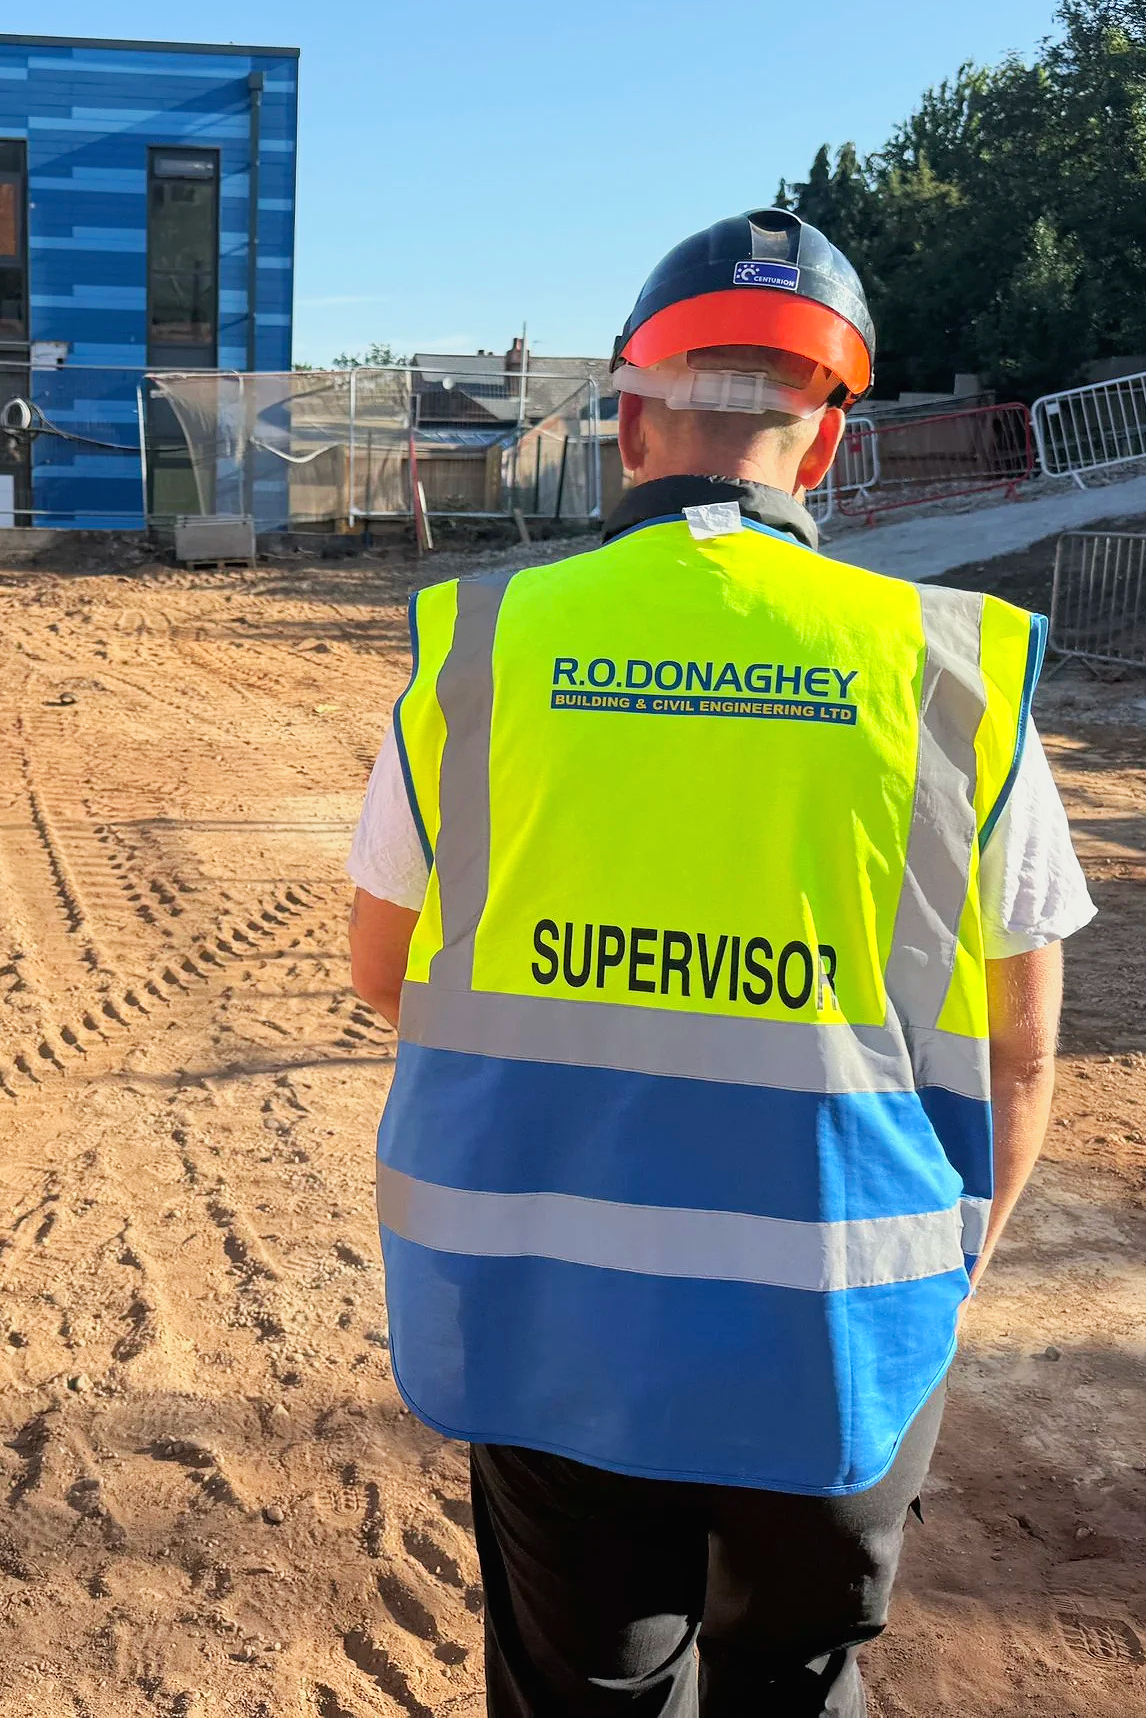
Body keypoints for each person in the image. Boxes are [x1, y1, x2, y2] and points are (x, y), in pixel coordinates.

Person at [347, 209, 1095, 1717]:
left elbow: (391, 976)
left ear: (627, 421)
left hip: (548, 1319)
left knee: (591, 1689)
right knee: (794, 1678)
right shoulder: (956, 669)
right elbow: (1018, 1058)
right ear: (822, 447)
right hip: (843, 1317)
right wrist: (929, 1283)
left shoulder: (482, 646)